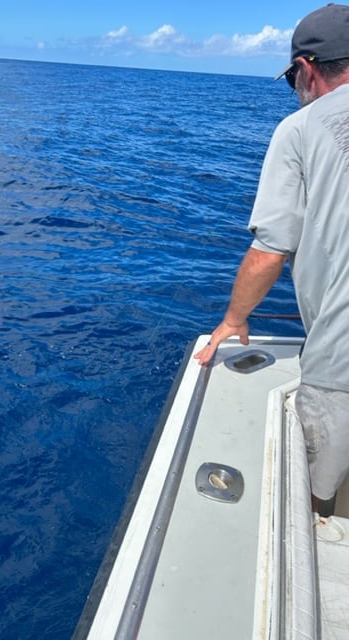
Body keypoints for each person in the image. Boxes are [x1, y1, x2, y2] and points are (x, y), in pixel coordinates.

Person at [194, 3, 349, 517]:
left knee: (316, 499)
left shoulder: (302, 128)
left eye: (293, 81)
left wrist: (233, 319)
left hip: (341, 360)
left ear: (306, 69)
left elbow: (270, 251)